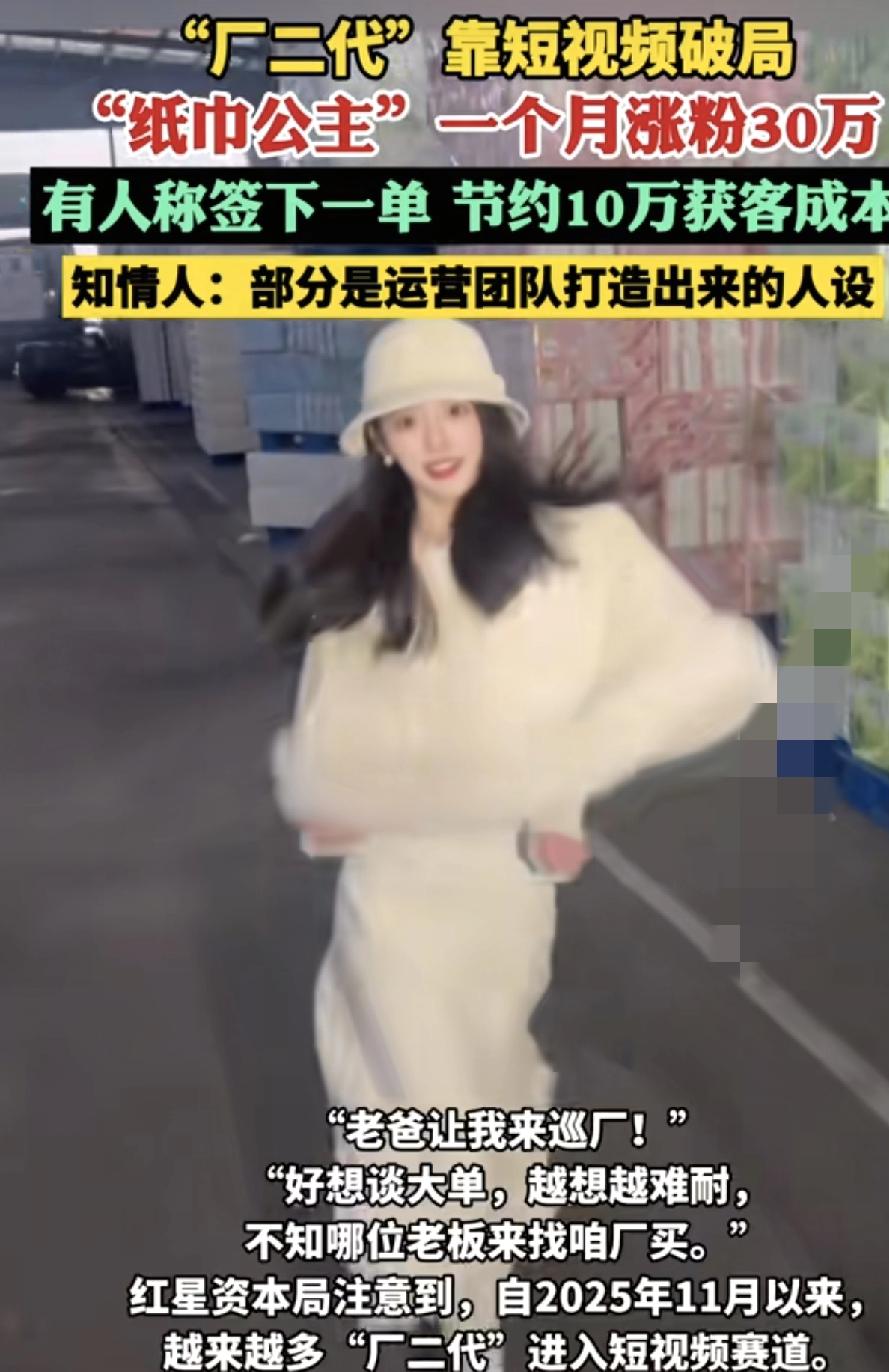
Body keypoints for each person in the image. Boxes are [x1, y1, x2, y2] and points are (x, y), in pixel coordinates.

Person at [260, 318, 778, 1363]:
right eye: (408, 421)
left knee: (484, 1083)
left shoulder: (571, 553)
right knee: (399, 1088)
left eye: (454, 411)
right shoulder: (364, 570)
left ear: (490, 422)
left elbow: (714, 669)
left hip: (499, 894)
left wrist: (563, 788)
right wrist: (330, 801)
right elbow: (324, 735)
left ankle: (455, 1285)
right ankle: (458, 1311)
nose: (435, 439)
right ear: (380, 443)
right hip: (393, 889)